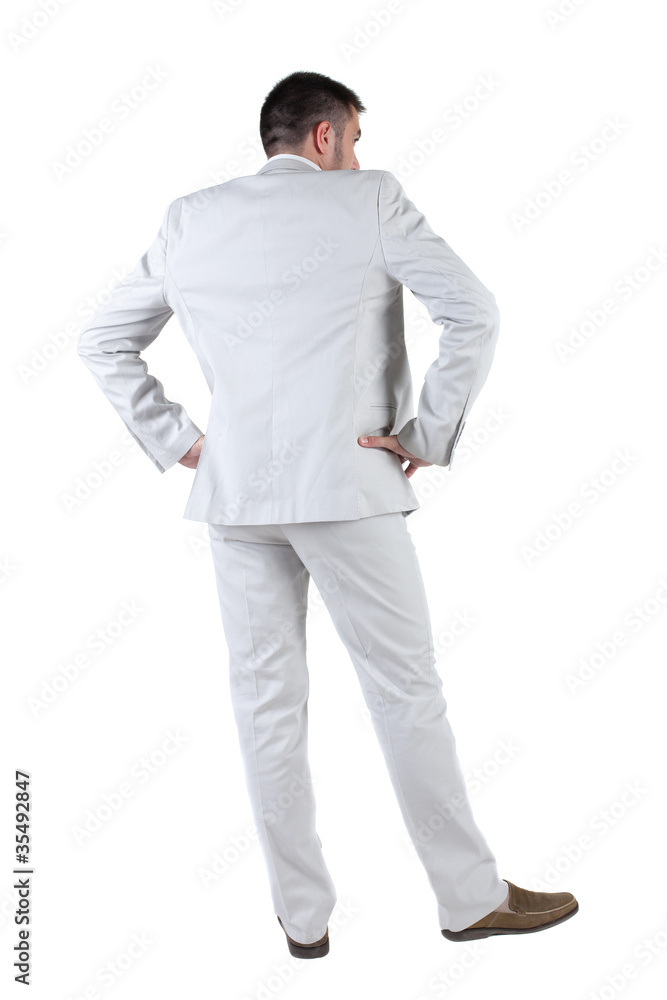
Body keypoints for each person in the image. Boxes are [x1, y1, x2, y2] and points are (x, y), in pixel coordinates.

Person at [77, 70, 578, 958]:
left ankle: (302, 921)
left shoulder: (190, 217)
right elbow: (473, 312)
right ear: (325, 134)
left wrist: (176, 437)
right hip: (346, 488)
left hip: (238, 496)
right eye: (353, 136)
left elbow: (101, 338)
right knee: (405, 691)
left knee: (265, 702)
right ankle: (468, 899)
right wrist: (427, 433)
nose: (356, 153)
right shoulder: (370, 199)